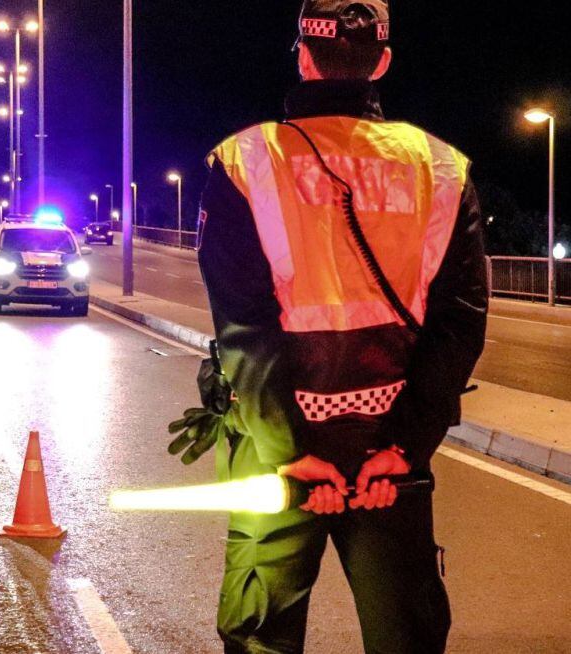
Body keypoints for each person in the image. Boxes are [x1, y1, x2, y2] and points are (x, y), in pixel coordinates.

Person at [196, 2, 489, 652]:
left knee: (260, 638)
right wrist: (403, 447)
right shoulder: (441, 169)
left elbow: (244, 328)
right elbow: (461, 325)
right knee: (406, 637)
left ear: (302, 53)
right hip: (388, 461)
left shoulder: (246, 161)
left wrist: (291, 450)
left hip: (281, 460)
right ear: (382, 62)